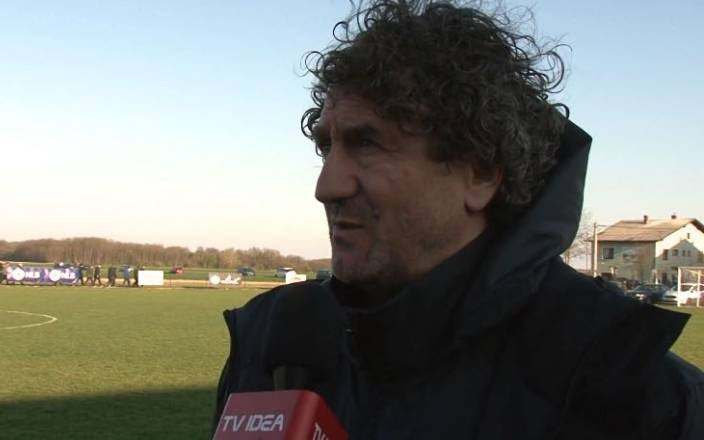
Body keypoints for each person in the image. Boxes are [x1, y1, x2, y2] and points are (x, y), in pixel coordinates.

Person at [214, 1, 704, 438]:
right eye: (326, 146)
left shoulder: (624, 384)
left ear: (481, 173)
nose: (327, 187)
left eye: (367, 143)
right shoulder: (273, 340)